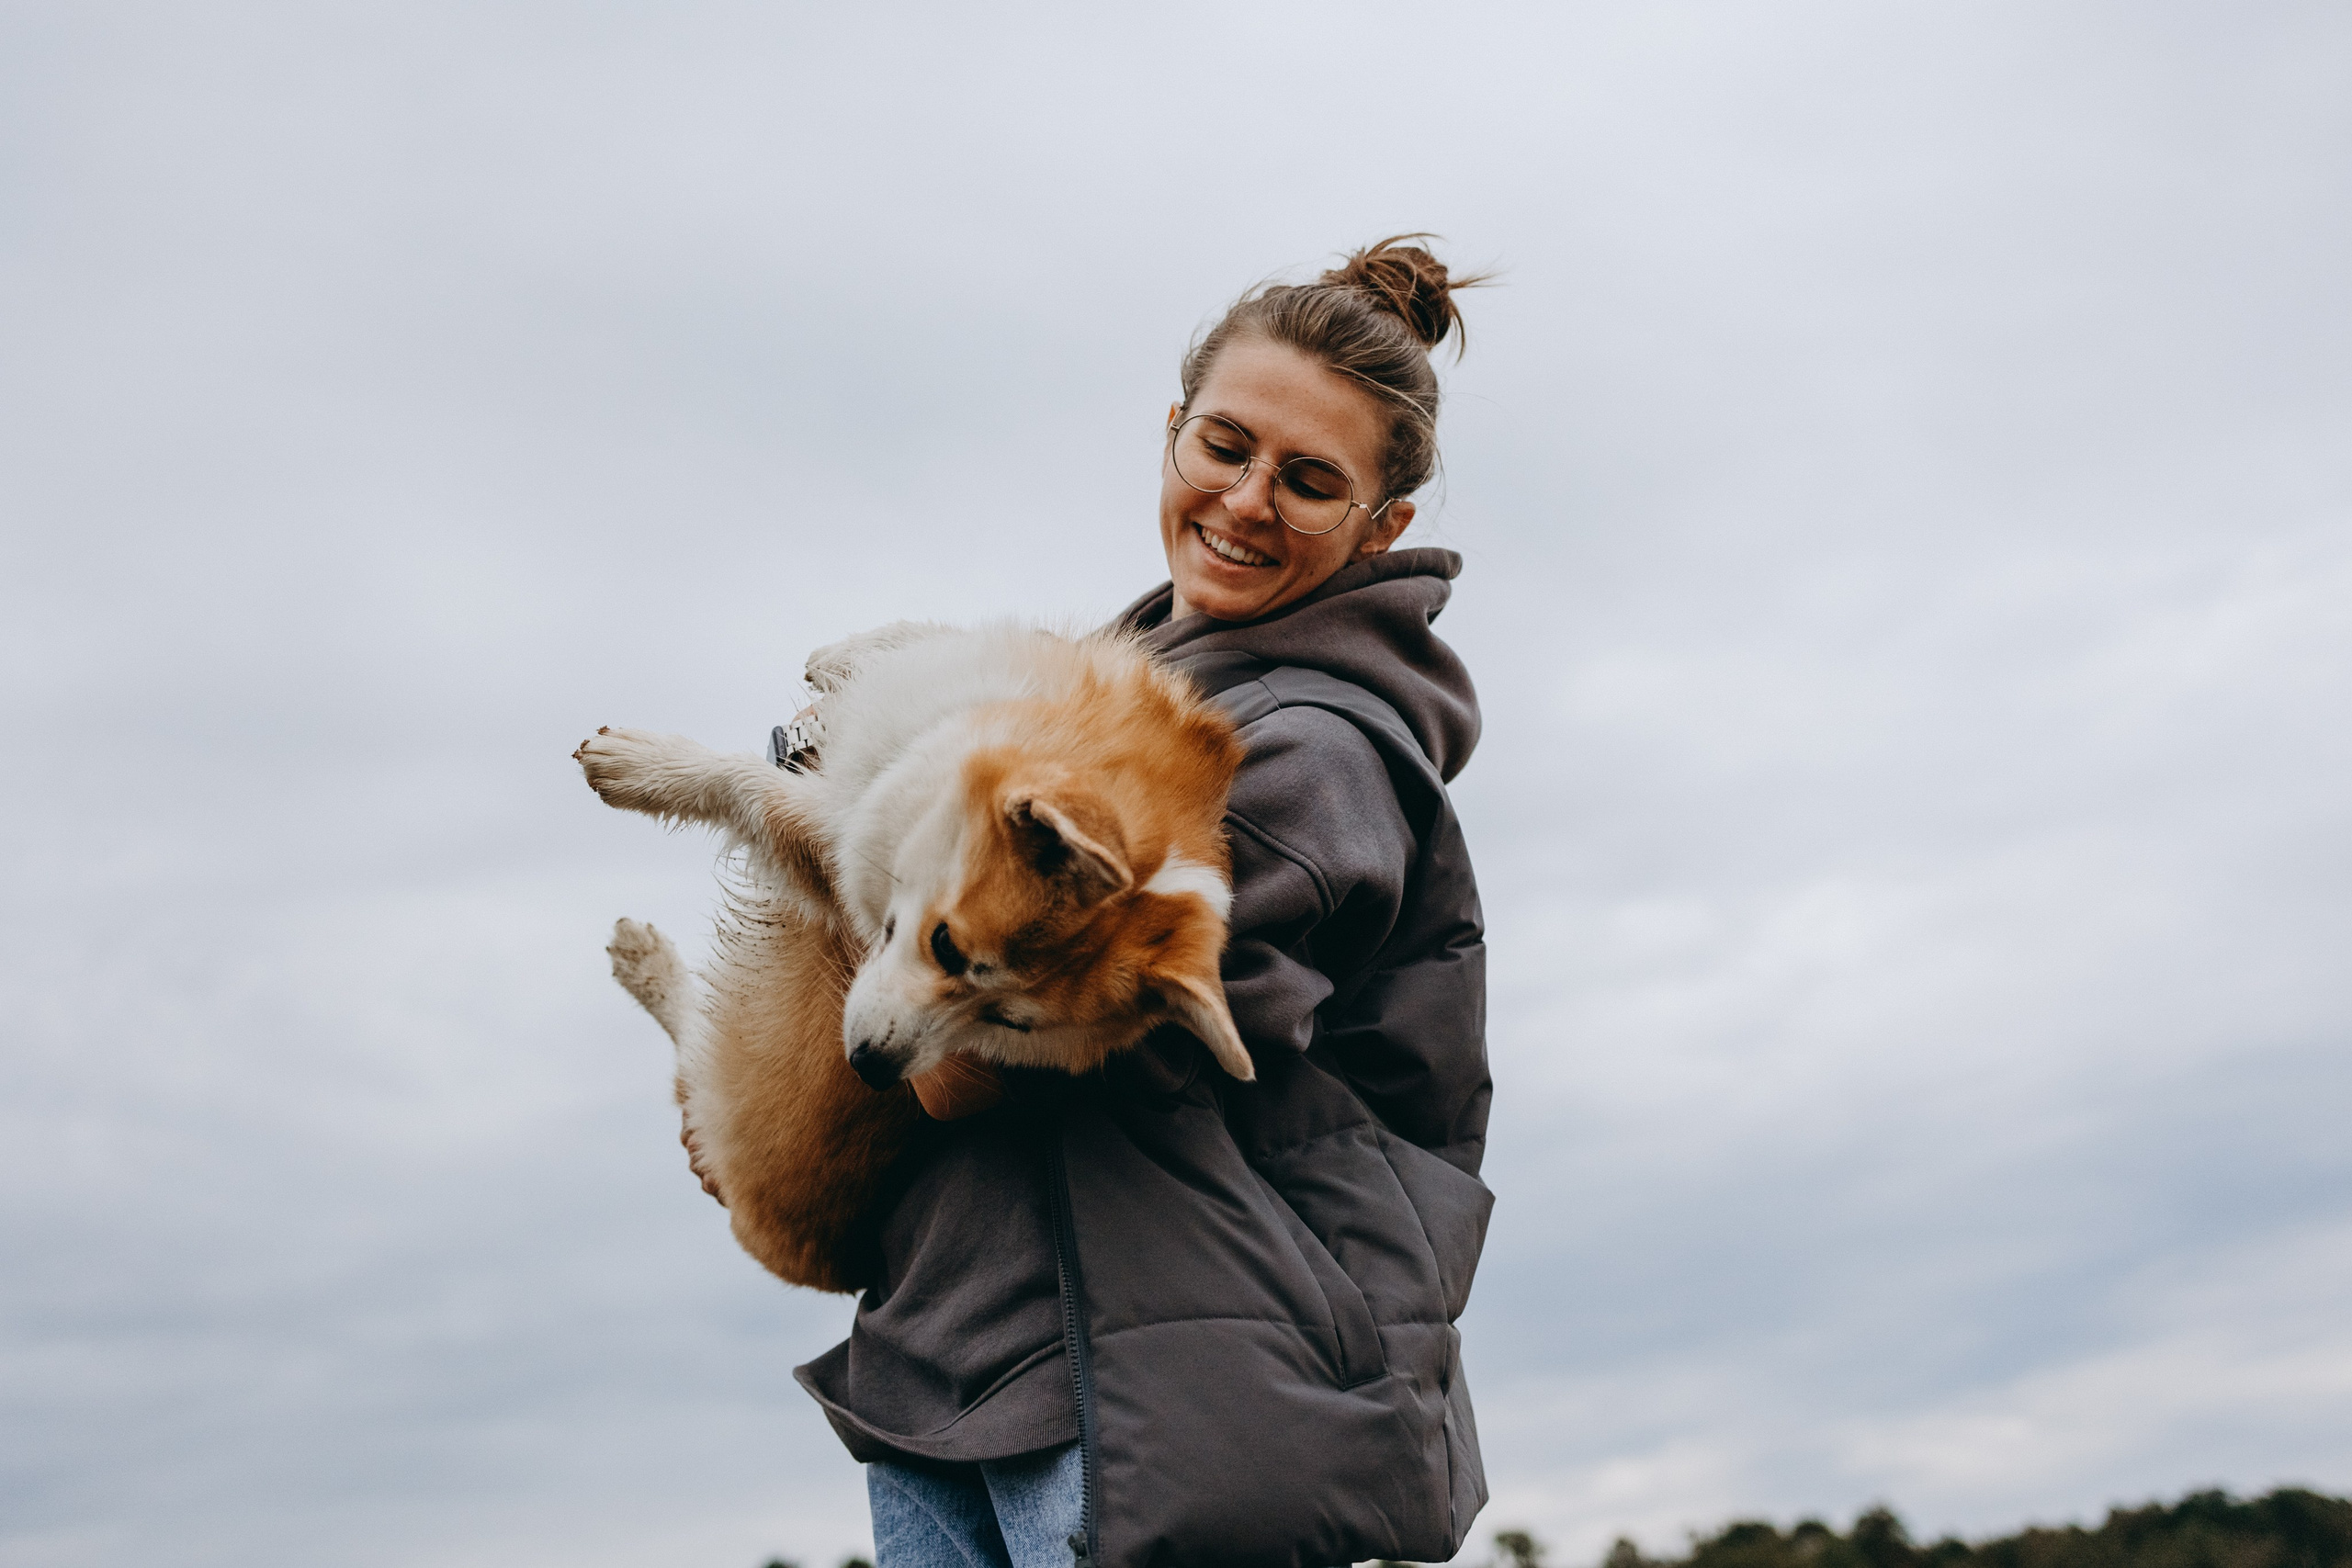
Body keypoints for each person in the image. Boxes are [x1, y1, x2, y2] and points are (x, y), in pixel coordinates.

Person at [794, 236, 1494, 1568]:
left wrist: (852, 972)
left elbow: (979, 1073)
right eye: (1223, 446)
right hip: (960, 1364)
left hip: (1160, 1412)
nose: (1244, 499)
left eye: (1307, 480)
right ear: (1171, 431)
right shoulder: (1119, 704)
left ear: (1381, 528)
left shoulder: (1304, 750)